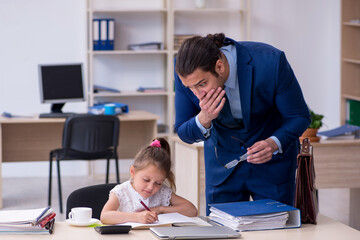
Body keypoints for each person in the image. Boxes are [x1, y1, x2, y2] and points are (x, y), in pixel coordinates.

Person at [174, 33, 311, 214]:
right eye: (190, 88)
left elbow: (299, 116)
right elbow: (183, 130)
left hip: (272, 168)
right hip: (222, 169)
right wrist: (204, 118)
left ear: (219, 66)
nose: (197, 94)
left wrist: (273, 143)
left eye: (201, 84)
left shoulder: (271, 62)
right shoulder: (185, 71)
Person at [100, 138, 198, 224]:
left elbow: (192, 211)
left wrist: (160, 209)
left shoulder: (162, 192)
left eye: (158, 183)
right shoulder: (121, 192)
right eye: (146, 180)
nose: (151, 187)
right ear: (132, 171)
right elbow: (105, 216)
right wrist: (137, 217)